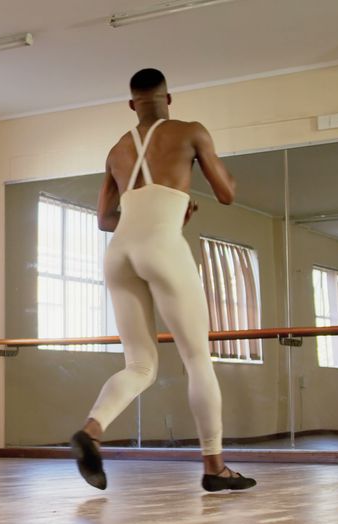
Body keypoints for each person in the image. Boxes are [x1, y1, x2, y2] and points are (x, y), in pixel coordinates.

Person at [69, 68, 255, 492]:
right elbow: (226, 192)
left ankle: (92, 429)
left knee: (138, 364)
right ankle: (215, 466)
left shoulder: (117, 149)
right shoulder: (190, 131)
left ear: (132, 104)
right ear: (168, 99)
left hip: (118, 253)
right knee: (197, 360)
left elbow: (104, 220)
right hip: (163, 247)